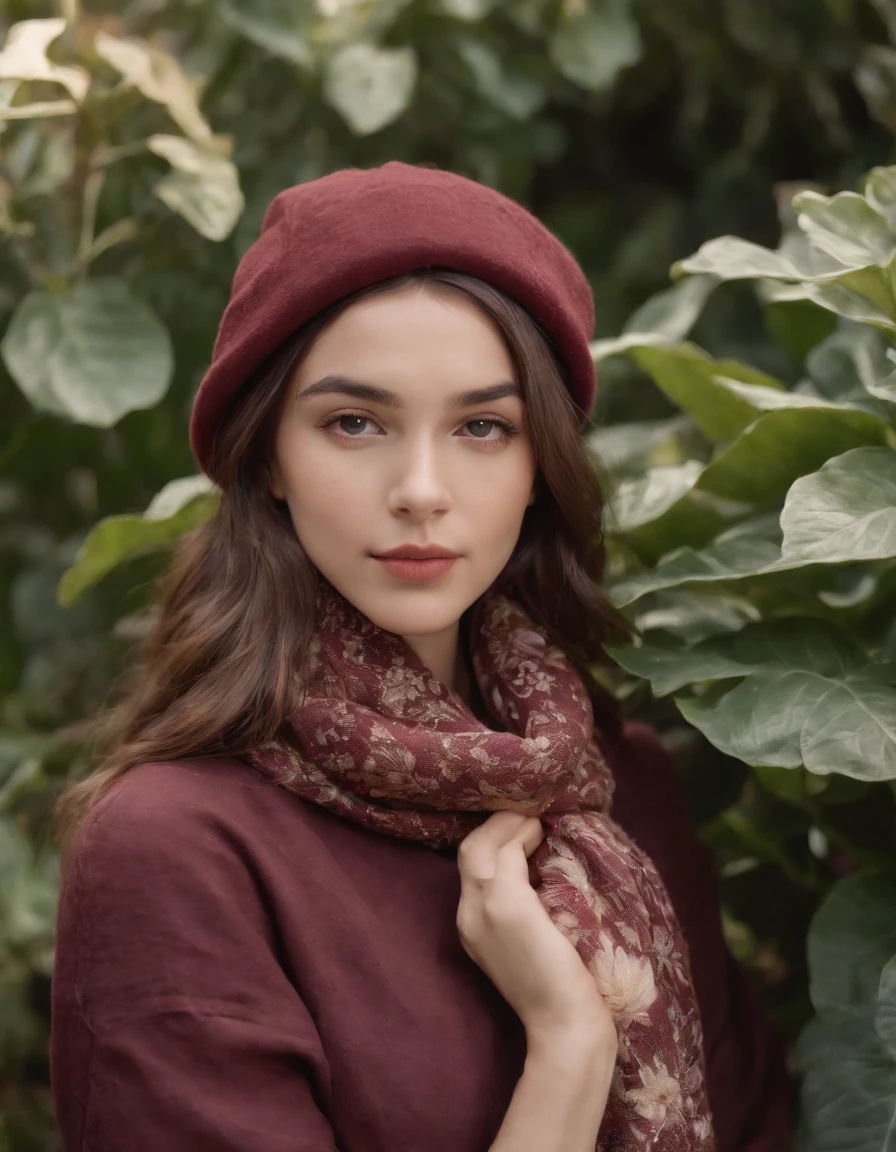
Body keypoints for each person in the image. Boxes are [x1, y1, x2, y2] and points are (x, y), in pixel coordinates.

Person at [50, 162, 791, 1152]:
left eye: (483, 426)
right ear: (266, 454)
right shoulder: (177, 850)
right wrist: (568, 1044)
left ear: (539, 469)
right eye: (354, 423)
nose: (421, 489)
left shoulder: (623, 791)